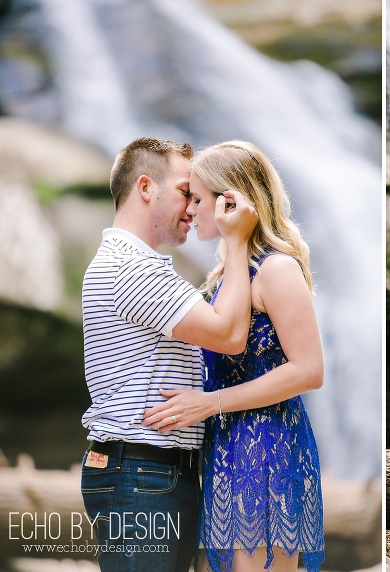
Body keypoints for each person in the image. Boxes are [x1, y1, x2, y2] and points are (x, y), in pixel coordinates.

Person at [142, 140, 325, 572]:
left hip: (266, 449)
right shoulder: (229, 276)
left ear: (231, 201)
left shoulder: (277, 269)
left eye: (198, 199)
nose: (190, 210)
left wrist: (209, 404)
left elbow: (310, 370)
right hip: (224, 449)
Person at [81, 137, 258, 572]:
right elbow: (230, 334)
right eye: (186, 192)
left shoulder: (133, 263)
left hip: (149, 472)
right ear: (145, 187)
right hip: (143, 473)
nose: (196, 207)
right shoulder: (131, 268)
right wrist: (237, 242)